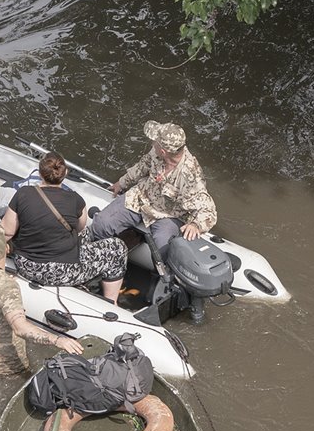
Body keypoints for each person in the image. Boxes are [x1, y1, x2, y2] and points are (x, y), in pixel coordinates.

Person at [87, 119, 219, 319]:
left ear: (164, 150)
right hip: (141, 198)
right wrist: (121, 183)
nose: (152, 144)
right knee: (102, 224)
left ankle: (161, 288)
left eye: (155, 142)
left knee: (162, 249)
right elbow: (141, 168)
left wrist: (195, 224)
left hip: (168, 214)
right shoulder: (156, 154)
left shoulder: (189, 175)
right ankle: (94, 261)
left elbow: (208, 209)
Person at [0, 224, 82, 377]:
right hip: (6, 368)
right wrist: (57, 340)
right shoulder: (8, 286)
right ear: (7, 249)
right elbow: (20, 328)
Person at [2, 152, 127, 303]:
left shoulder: (22, 194)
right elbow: (80, 228)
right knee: (117, 248)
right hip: (62, 271)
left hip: (26, 266)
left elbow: (6, 232)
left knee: (82, 236)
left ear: (41, 173)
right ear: (65, 173)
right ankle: (110, 303)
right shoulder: (75, 199)